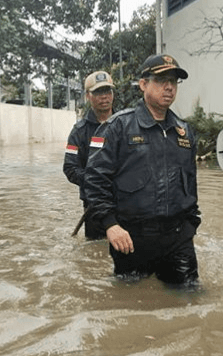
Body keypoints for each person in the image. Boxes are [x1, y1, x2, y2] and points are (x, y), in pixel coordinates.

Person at [84, 54, 200, 286]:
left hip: (177, 239)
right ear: (143, 84)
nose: (169, 87)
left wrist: (191, 224)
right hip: (131, 239)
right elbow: (94, 179)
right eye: (161, 80)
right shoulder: (118, 127)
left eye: (174, 81)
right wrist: (110, 225)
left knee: (190, 302)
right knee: (130, 307)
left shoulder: (184, 132)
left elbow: (190, 183)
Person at [63, 71, 115, 239]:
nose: (104, 97)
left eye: (108, 91)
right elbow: (70, 168)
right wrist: (95, 180)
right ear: (87, 96)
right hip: (94, 205)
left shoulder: (126, 124)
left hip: (126, 202)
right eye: (98, 92)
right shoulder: (79, 132)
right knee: (96, 251)